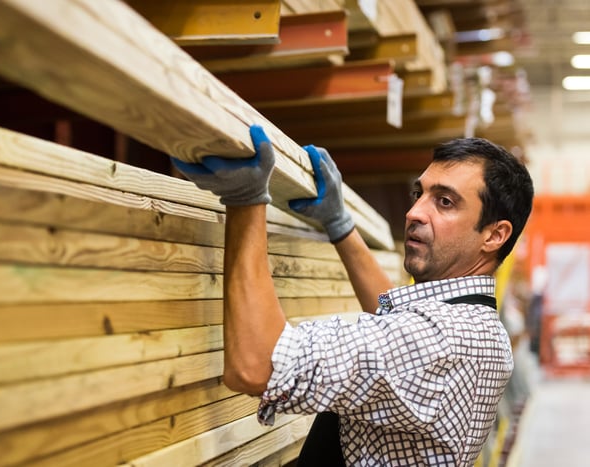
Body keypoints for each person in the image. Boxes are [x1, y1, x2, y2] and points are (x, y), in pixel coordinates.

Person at [172, 125, 534, 466]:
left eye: (444, 202)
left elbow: (256, 366)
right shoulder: (475, 324)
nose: (413, 212)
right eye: (418, 193)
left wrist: (245, 199)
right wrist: (341, 226)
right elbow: (397, 319)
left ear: (494, 235)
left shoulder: (441, 339)